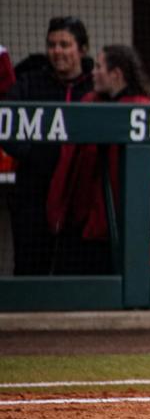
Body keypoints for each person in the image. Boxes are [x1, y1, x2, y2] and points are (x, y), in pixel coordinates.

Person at [46, 45, 150, 274]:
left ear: (116, 74)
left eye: (99, 67)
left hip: (116, 224)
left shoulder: (141, 109)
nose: (93, 72)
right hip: (79, 221)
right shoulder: (89, 102)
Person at [2, 17, 95, 275]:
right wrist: (34, 154)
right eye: (52, 45)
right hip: (33, 193)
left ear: (82, 49)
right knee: (30, 265)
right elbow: (6, 127)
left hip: (80, 196)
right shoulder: (30, 83)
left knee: (77, 268)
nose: (57, 51)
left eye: (65, 44)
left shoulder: (95, 86)